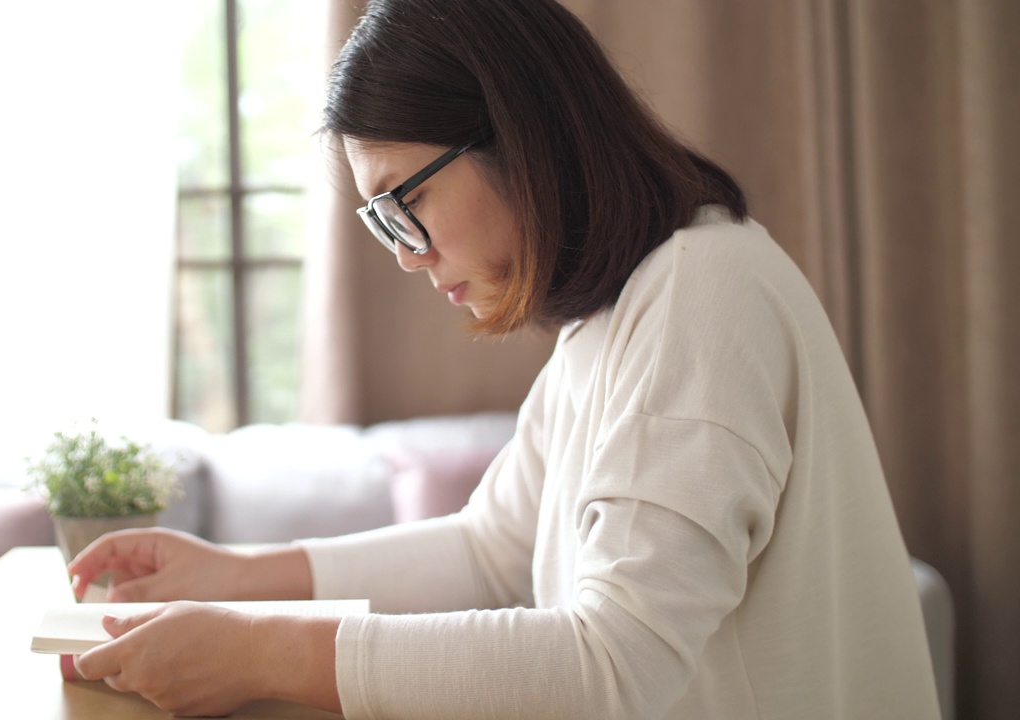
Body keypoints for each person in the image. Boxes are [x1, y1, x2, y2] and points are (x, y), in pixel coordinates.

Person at [66, 1, 942, 717]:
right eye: (381, 224)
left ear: (521, 135)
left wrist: (265, 651)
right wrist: (239, 576)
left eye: (404, 203)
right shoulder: (613, 316)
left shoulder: (700, 298)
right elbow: (494, 550)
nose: (406, 254)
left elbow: (611, 663)